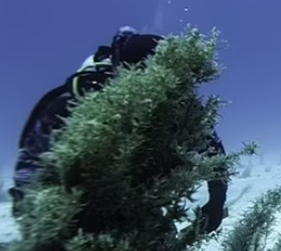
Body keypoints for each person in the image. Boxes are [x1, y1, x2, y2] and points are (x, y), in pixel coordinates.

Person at [9, 26, 228, 233]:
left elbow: (213, 150)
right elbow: (29, 170)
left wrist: (216, 201)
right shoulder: (74, 103)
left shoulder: (182, 105)